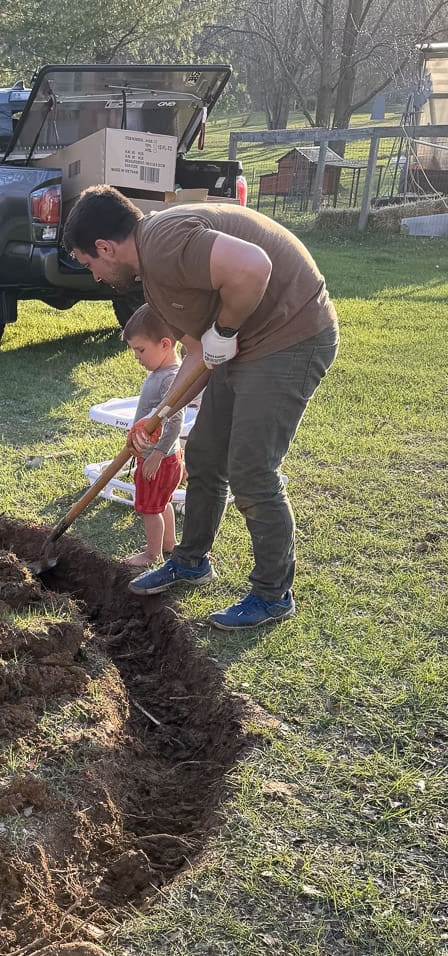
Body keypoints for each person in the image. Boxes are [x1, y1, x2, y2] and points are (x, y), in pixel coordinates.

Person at [63, 187, 339, 629]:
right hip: (243, 344)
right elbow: (197, 352)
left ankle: (273, 595)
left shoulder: (163, 241)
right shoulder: (152, 276)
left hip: (291, 333)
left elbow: (253, 267)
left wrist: (225, 329)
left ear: (104, 247)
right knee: (205, 455)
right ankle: (191, 561)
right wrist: (163, 413)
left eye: (89, 263)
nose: (94, 275)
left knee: (252, 469)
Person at [119, 305, 186, 570]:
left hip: (158, 458)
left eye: (141, 350)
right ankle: (168, 544)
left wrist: (156, 454)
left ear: (165, 344)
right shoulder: (163, 373)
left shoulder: (168, 379)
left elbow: (175, 419)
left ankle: (152, 554)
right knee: (163, 502)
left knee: (150, 508)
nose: (136, 357)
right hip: (167, 456)